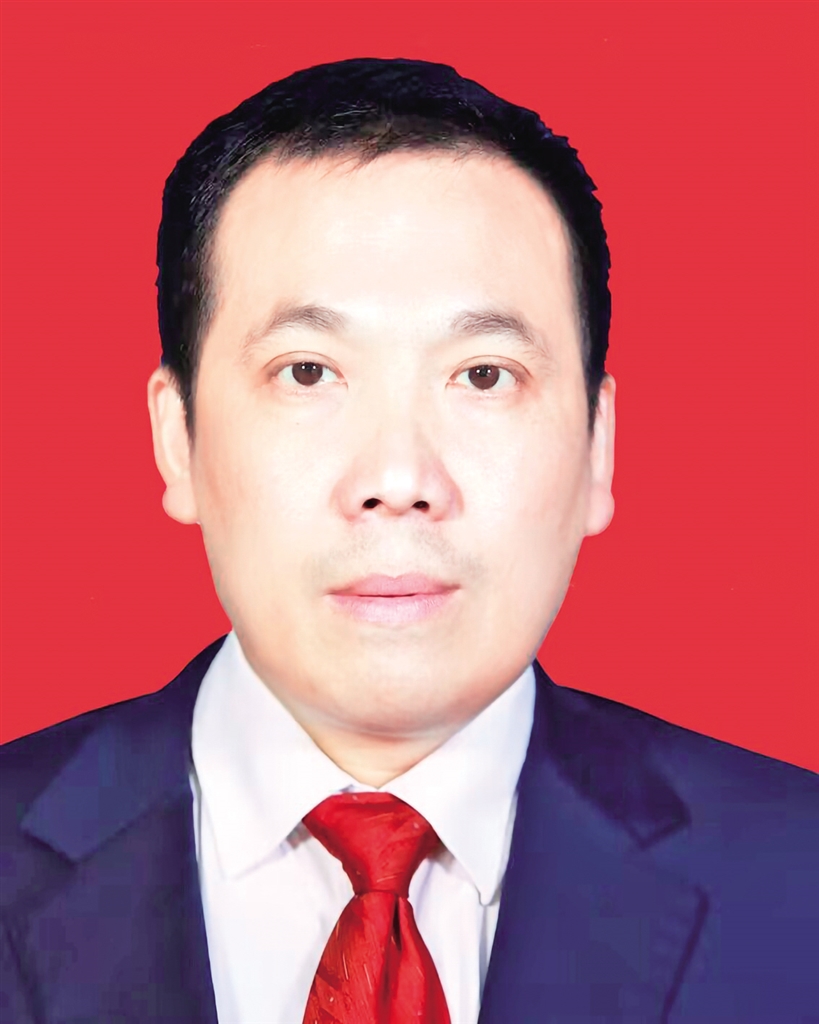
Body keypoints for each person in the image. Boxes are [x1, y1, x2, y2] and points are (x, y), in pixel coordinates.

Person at [1, 57, 816, 1024]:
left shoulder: (795, 881)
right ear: (176, 437)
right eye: (307, 372)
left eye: (483, 375)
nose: (397, 479)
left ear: (598, 448)